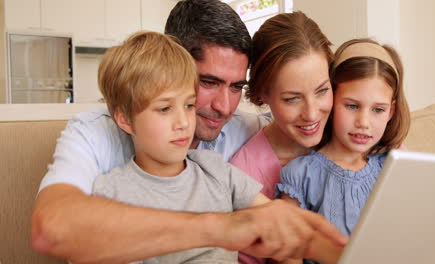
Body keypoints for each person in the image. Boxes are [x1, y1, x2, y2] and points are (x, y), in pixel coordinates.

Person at [31, 1, 347, 263]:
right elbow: (53, 229)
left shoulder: (242, 132)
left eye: (237, 86)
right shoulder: (95, 135)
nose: (225, 107)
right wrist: (220, 228)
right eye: (208, 83)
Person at [94, 30, 273, 263]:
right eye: (164, 109)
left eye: (189, 105)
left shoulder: (214, 169)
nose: (183, 123)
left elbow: (276, 219)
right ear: (125, 119)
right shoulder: (111, 195)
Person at [276, 38, 411, 263]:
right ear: (331, 99)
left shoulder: (393, 166)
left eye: (378, 109)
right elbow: (290, 254)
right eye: (352, 106)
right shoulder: (301, 175)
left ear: (391, 111)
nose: (363, 122)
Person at [229, 12, 340, 264]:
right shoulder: (245, 176)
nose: (312, 113)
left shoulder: (353, 133)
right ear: (263, 94)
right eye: (292, 99)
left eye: (322, 91)